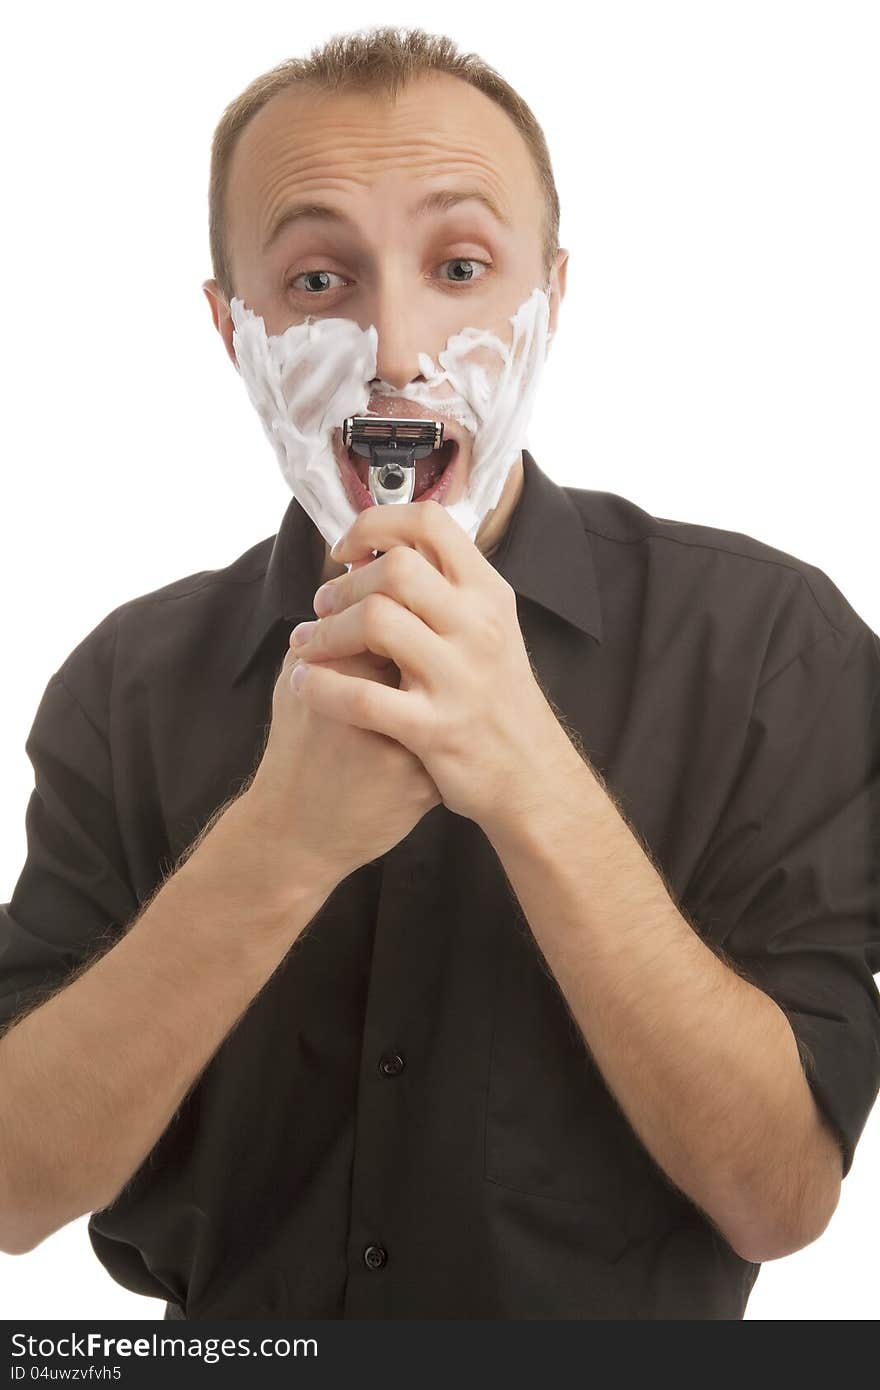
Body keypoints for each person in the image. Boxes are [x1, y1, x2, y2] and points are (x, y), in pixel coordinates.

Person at [0, 26, 877, 1322]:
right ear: (228, 325)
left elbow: (783, 1197)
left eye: (461, 266)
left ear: (552, 296)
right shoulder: (123, 684)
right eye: (314, 283)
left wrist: (529, 775)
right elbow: (13, 1191)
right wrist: (282, 842)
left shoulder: (767, 645)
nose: (395, 348)